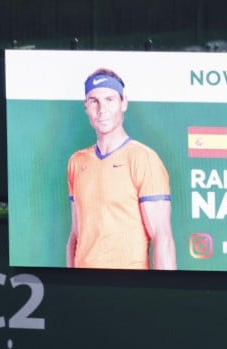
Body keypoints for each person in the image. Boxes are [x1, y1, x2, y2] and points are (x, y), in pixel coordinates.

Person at [66, 68, 176, 270]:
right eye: (94, 101)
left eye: (109, 99)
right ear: (86, 107)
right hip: (84, 287)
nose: (102, 110)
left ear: (123, 103)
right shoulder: (76, 162)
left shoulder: (144, 159)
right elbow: (76, 234)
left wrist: (167, 295)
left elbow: (162, 237)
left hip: (128, 287)